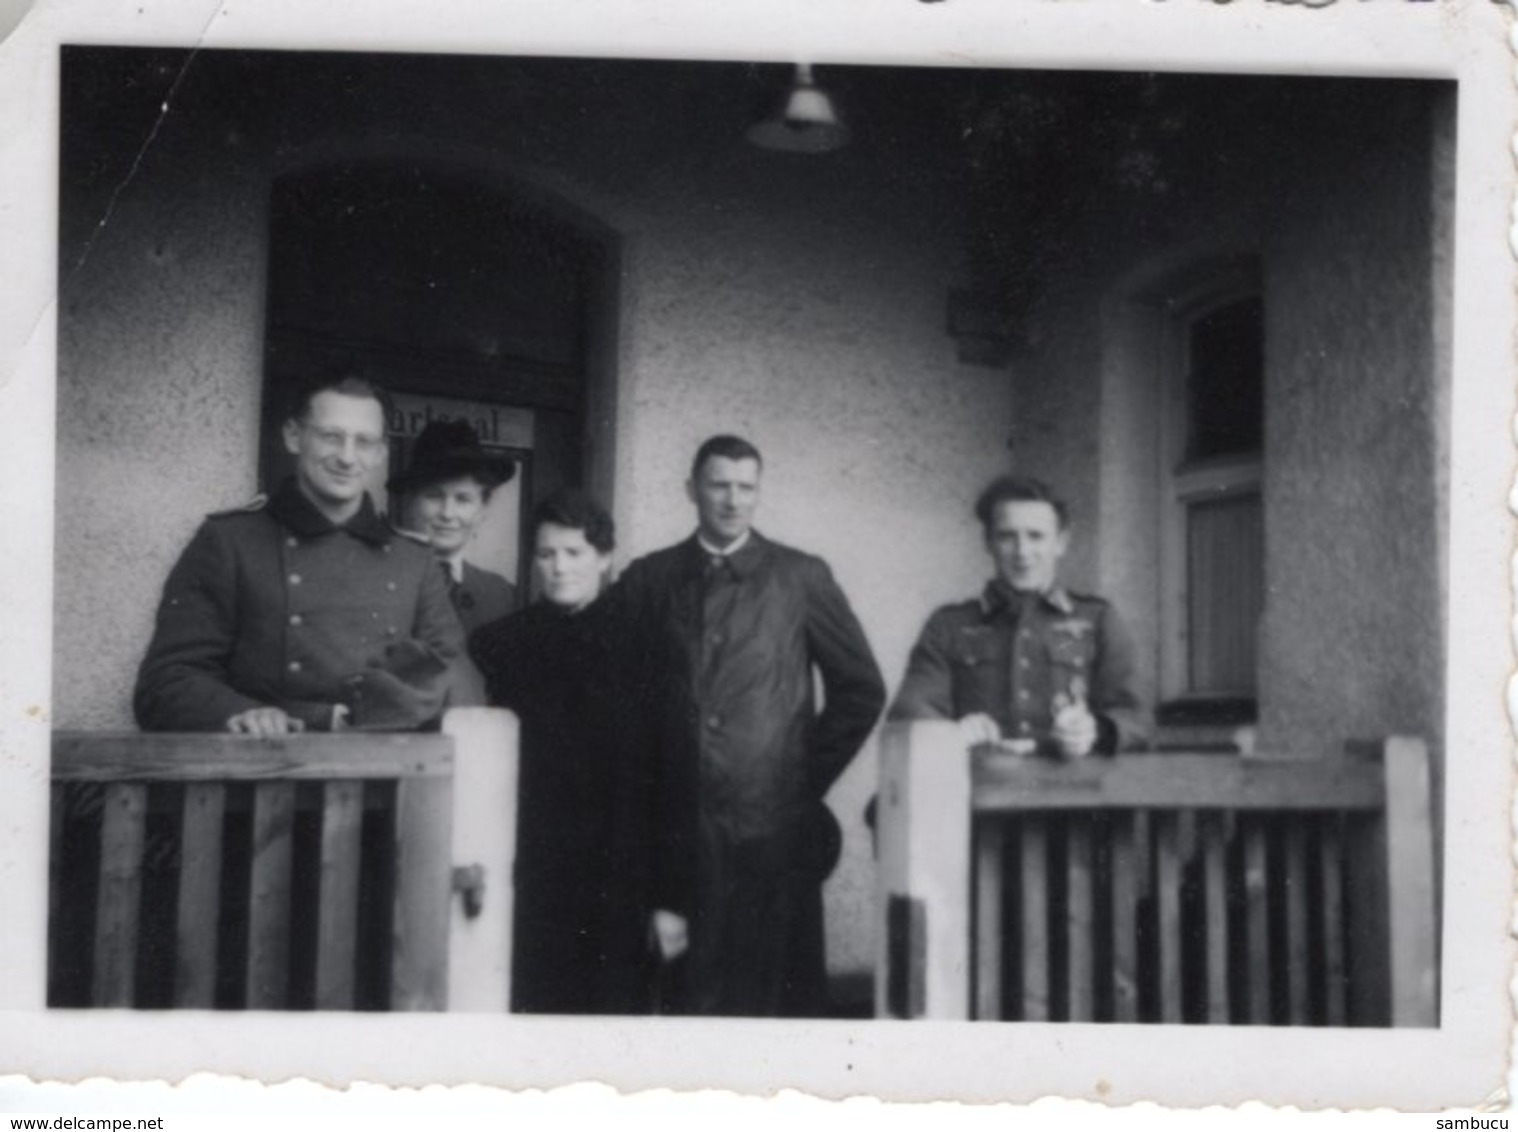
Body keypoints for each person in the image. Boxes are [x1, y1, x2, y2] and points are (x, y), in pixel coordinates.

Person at [617, 435, 886, 1017]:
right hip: (678, 836)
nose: (733, 500)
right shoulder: (649, 580)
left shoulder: (800, 577)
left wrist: (795, 776)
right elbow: (621, 702)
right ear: (692, 490)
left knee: (771, 1002)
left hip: (773, 838)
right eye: (719, 485)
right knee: (686, 1003)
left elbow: (861, 689)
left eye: (746, 487)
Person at [134, 372, 464, 734]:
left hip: (378, 774)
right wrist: (239, 713)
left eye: (364, 442)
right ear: (294, 436)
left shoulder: (412, 560)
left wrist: (357, 714)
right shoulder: (231, 541)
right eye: (331, 437)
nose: (347, 457)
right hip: (264, 771)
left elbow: (447, 678)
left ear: (381, 453)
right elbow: (166, 682)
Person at [468, 490, 651, 1014]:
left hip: (619, 879)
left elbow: (674, 772)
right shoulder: (503, 646)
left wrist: (671, 901)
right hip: (535, 876)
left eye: (574, 553)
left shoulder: (648, 644)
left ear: (605, 557)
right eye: (547, 554)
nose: (559, 567)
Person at [889, 475, 1151, 755]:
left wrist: (1095, 730)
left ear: (1060, 543)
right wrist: (954, 733)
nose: (1022, 552)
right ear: (988, 542)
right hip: (978, 789)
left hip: (1073, 791)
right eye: (1007, 536)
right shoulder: (950, 625)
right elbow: (909, 712)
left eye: (1036, 536)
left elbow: (1137, 720)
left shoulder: (1097, 620)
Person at [390, 419, 519, 637]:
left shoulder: (500, 595)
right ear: (411, 500)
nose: (448, 514)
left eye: (463, 499)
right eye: (434, 496)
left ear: (483, 509)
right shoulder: (377, 578)